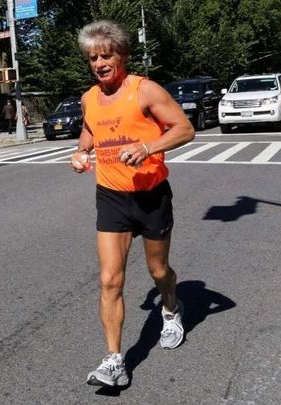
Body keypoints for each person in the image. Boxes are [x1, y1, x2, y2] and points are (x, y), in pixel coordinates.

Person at [71, 20, 195, 388]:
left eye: (106, 55)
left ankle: (171, 308)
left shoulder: (145, 90)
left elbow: (184, 128)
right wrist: (80, 152)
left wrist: (147, 147)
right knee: (110, 280)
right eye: (93, 58)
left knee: (159, 273)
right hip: (111, 197)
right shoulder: (89, 98)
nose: (99, 63)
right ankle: (114, 361)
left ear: (122, 55)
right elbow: (91, 128)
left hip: (151, 196)